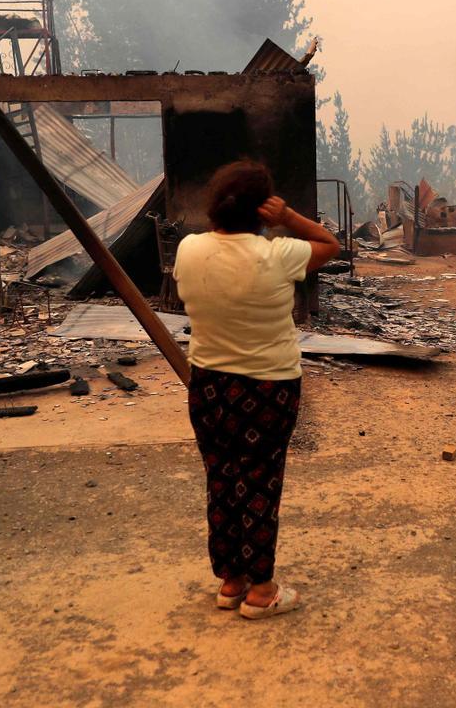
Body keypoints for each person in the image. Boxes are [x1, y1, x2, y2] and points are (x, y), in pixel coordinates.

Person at [172, 160, 339, 620]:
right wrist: (287, 217)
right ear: (262, 210)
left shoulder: (188, 250)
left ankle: (230, 580)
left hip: (207, 385)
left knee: (222, 478)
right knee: (260, 481)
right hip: (269, 387)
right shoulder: (279, 254)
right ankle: (262, 590)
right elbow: (331, 245)